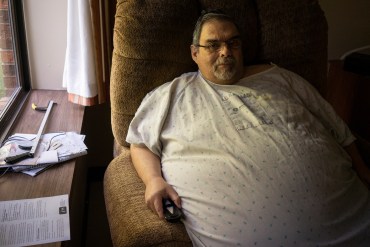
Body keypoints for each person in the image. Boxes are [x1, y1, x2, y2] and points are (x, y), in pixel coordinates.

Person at [126, 10, 370, 246]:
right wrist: (153, 180)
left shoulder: (282, 78)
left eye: (234, 43)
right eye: (213, 45)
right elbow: (140, 143)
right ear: (194, 53)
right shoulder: (171, 94)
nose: (225, 52)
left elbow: (339, 130)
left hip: (357, 224)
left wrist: (364, 171)